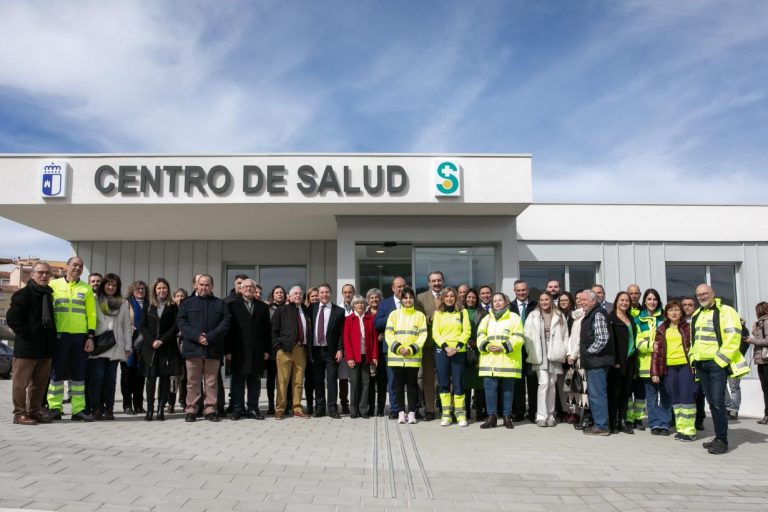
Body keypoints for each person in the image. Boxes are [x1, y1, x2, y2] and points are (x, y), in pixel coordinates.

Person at [691, 284, 749, 455]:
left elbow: (734, 337)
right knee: (712, 402)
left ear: (713, 294)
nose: (702, 297)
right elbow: (694, 340)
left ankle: (722, 440)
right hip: (701, 364)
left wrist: (719, 360)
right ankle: (718, 436)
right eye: (699, 295)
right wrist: (693, 359)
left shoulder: (726, 311)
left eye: (705, 293)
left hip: (716, 364)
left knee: (718, 402)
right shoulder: (697, 314)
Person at [47, 256, 97, 421]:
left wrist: (90, 336)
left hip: (80, 337)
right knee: (57, 373)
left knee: (79, 374)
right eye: (74, 265)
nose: (77, 268)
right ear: (67, 266)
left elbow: (91, 313)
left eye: (81, 266)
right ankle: (55, 407)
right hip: (59, 336)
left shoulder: (86, 288)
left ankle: (78, 410)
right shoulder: (53, 285)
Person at [6, 261, 56, 424]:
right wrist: (29, 335)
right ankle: (19, 413)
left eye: (47, 273)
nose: (44, 276)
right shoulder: (23, 294)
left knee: (40, 384)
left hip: (46, 348)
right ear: (32, 274)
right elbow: (12, 318)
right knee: (21, 383)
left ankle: (34, 411)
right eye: (40, 272)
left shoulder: (48, 294)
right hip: (26, 348)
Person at [177, 274, 231, 422]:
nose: (204, 287)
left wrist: (210, 337)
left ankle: (210, 410)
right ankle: (191, 410)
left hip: (212, 349)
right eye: (201, 284)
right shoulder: (187, 304)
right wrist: (197, 336)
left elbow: (225, 324)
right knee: (192, 381)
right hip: (193, 349)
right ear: (196, 285)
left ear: (212, 286)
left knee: (211, 381)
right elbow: (181, 322)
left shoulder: (220, 304)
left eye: (207, 285)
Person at [476, 292, 524, 429]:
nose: (497, 303)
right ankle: (492, 417)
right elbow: (480, 335)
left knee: (508, 391)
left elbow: (518, 337)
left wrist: (503, 347)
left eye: (500, 300)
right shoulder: (486, 318)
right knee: (490, 390)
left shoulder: (514, 318)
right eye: (494, 301)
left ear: (506, 302)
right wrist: (486, 345)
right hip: (489, 360)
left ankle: (507, 417)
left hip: (508, 361)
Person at [225, 278, 270, 420]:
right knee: (238, 380)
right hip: (238, 350)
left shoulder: (262, 307)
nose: (249, 289)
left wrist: (267, 350)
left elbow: (267, 331)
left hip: (257, 350)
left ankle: (253, 408)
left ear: (255, 289)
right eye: (246, 287)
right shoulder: (232, 305)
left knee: (254, 381)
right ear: (241, 289)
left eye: (252, 287)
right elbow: (228, 330)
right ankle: (238, 409)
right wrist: (227, 350)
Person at [651, 301, 696, 441]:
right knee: (675, 399)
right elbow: (656, 353)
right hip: (669, 368)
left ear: (681, 312)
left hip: (685, 367)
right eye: (670, 310)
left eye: (676, 310)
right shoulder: (661, 329)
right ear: (666, 313)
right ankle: (681, 429)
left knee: (687, 398)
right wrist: (655, 372)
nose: (674, 313)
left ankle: (690, 431)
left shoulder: (688, 327)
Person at [89, 273, 131, 421]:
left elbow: (127, 326)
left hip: (116, 345)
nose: (111, 287)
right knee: (97, 378)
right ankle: (96, 408)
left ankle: (109, 409)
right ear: (103, 285)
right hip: (99, 344)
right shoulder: (94, 300)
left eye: (114, 285)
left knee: (110, 379)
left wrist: (128, 345)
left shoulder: (123, 303)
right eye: (108, 284)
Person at [139, 278, 180, 421]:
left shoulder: (173, 306)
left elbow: (176, 327)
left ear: (168, 290)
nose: (161, 290)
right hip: (150, 348)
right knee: (150, 379)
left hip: (167, 347)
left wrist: (162, 340)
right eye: (159, 288)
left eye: (164, 288)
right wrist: (152, 341)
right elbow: (142, 326)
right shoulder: (148, 305)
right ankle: (149, 410)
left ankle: (160, 409)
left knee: (164, 379)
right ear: (154, 290)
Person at [525, 292, 567, 427]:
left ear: (551, 300)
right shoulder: (533, 315)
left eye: (547, 299)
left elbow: (565, 335)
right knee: (543, 383)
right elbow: (527, 335)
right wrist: (530, 350)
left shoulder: (559, 315)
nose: (544, 302)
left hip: (554, 351)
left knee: (552, 383)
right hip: (539, 351)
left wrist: (565, 351)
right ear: (539, 301)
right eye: (542, 300)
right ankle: (541, 415)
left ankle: (551, 415)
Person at [386, 286, 427, 424]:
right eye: (405, 297)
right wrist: (398, 348)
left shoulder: (419, 315)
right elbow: (389, 334)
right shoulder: (394, 315)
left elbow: (423, 334)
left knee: (412, 385)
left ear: (413, 299)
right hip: (396, 357)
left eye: (410, 297)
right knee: (397, 386)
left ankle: (412, 413)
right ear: (401, 299)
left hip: (412, 357)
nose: (408, 300)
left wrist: (411, 348)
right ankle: (401, 413)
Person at [271, 286, 313, 419]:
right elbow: (274, 330)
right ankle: (280, 408)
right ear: (289, 296)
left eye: (300, 293)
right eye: (295, 293)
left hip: (301, 350)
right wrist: (278, 347)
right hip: (285, 350)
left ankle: (297, 408)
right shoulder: (281, 310)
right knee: (282, 381)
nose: (298, 295)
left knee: (298, 381)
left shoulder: (306, 311)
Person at [432, 287, 471, 427]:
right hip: (442, 351)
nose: (449, 298)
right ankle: (446, 415)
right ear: (442, 298)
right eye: (446, 296)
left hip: (458, 352)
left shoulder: (462, 312)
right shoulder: (438, 314)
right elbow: (435, 333)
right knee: (443, 383)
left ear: (456, 298)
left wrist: (457, 347)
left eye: (452, 296)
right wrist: (446, 347)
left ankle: (460, 415)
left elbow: (466, 332)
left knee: (458, 383)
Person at [308, 283, 345, 418]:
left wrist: (340, 349)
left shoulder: (339, 311)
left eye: (327, 292)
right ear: (318, 294)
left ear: (331, 293)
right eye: (322, 292)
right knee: (318, 380)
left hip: (331, 351)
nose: (324, 295)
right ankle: (320, 408)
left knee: (331, 380)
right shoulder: (312, 308)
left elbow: (342, 333)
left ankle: (333, 408)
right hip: (316, 351)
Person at [580, 290, 614, 436]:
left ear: (593, 301)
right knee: (595, 394)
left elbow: (602, 338)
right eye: (581, 300)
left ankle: (602, 426)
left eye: (584, 300)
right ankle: (599, 424)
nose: (582, 302)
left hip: (597, 362)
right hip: (594, 362)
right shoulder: (591, 313)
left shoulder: (598, 313)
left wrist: (588, 352)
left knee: (597, 395)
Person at [634, 288, 668, 433]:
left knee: (666, 395)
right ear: (645, 301)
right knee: (651, 396)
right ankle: (654, 424)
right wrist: (650, 345)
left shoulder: (665, 319)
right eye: (649, 299)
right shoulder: (638, 320)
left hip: (664, 364)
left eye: (654, 299)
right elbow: (637, 342)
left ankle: (665, 423)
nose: (652, 302)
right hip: (647, 364)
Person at [415, 271, 445, 421]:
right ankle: (430, 409)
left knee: (446, 378)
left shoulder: (450, 295)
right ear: (429, 283)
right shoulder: (420, 298)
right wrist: (430, 318)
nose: (436, 283)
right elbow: (418, 318)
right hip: (428, 344)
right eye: (433, 281)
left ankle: (447, 409)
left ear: (443, 281)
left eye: (439, 280)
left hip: (446, 344)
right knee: (428, 379)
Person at [374, 277, 406, 419]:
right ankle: (395, 410)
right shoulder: (385, 304)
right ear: (393, 288)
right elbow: (378, 323)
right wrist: (393, 318)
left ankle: (412, 409)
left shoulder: (411, 302)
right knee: (393, 381)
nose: (401, 289)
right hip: (391, 348)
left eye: (403, 286)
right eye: (398, 286)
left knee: (409, 381)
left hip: (409, 349)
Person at [343, 294, 378, 418]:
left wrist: (374, 356)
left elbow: (374, 339)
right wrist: (350, 357)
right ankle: (354, 410)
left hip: (366, 356)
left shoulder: (370, 319)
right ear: (353, 305)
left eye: (362, 303)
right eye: (357, 303)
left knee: (366, 383)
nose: (360, 305)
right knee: (354, 383)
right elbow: (346, 340)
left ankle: (363, 410)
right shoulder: (349, 319)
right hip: (354, 357)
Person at [607, 291, 635, 434]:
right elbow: (610, 342)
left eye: (627, 301)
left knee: (626, 392)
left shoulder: (630, 318)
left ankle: (622, 421)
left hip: (629, 360)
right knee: (614, 392)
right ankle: (612, 421)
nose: (624, 303)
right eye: (622, 300)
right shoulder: (611, 318)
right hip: (617, 362)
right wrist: (614, 360)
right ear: (616, 301)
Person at [509, 279, 537, 422]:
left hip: (532, 349)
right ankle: (518, 412)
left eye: (523, 290)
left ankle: (533, 413)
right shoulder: (509, 307)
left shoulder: (536, 305)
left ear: (528, 290)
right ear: (514, 292)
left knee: (533, 383)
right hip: (516, 350)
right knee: (518, 384)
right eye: (518, 290)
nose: (521, 293)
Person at [122, 281, 148, 415]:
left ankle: (138, 404)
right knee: (127, 376)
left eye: (143, 289)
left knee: (140, 376)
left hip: (145, 345)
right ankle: (127, 405)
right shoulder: (126, 303)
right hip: (129, 343)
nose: (140, 291)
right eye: (138, 289)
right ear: (132, 290)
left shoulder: (149, 304)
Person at [682, 295, 707, 431]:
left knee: (699, 392)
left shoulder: (699, 319)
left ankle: (699, 419)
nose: (686, 307)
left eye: (690, 305)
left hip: (697, 359)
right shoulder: (678, 321)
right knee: (685, 391)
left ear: (694, 307)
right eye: (684, 304)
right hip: (682, 360)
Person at [463, 289, 487, 420]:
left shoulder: (483, 313)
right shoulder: (461, 312)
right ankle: (465, 412)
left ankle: (479, 412)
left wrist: (477, 343)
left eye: (473, 297)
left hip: (479, 351)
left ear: (476, 299)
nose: (471, 299)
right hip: (464, 351)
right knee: (465, 383)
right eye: (468, 297)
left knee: (479, 384)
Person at [265, 285, 287, 415]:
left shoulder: (289, 308)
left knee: (283, 379)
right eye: (277, 293)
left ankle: (284, 403)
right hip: (272, 349)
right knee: (271, 378)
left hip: (285, 348)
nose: (279, 294)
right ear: (273, 295)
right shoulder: (267, 309)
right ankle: (270, 404)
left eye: (281, 293)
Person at [745, 302, 768, 424]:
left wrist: (752, 340)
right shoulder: (760, 323)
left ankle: (767, 415)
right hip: (762, 360)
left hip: (766, 360)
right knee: (765, 389)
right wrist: (755, 329)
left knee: (767, 389)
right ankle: (766, 415)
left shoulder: (766, 322)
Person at [166, 288, 188, 415]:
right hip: (173, 348)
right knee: (173, 378)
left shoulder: (188, 311)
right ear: (174, 298)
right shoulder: (171, 311)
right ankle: (171, 403)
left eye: (182, 296)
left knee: (185, 378)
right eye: (178, 296)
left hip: (186, 348)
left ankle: (185, 402)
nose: (180, 298)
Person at [724, 319, 751, 420]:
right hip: (725, 362)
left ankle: (733, 411)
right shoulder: (729, 331)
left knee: (734, 387)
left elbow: (743, 347)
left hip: (735, 363)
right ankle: (729, 409)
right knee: (724, 387)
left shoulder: (743, 332)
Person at [364, 288, 385, 416]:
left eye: (376, 297)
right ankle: (370, 408)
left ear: (380, 299)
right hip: (369, 351)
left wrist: (383, 334)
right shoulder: (364, 313)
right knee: (370, 382)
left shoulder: (384, 311)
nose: (374, 300)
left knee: (382, 381)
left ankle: (381, 409)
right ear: (368, 300)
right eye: (371, 298)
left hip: (382, 350)